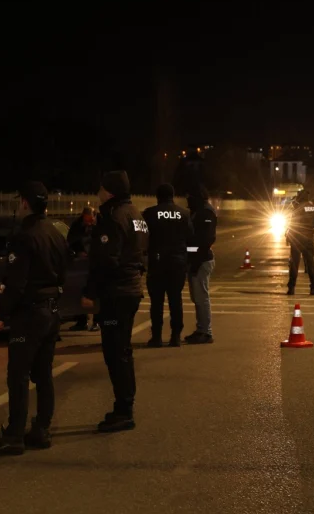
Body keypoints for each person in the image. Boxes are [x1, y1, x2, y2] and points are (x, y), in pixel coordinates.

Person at [0, 181, 69, 456]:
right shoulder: (56, 233)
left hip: (29, 313)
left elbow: (17, 282)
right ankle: (41, 428)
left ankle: (14, 434)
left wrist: (2, 314)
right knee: (43, 373)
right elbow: (64, 270)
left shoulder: (24, 236)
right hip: (51, 310)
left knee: (18, 375)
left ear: (25, 203)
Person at [83, 170, 148, 432]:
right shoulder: (136, 214)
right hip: (131, 288)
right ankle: (124, 406)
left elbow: (105, 260)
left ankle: (124, 410)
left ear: (109, 191)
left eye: (100, 189)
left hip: (117, 292)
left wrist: (90, 292)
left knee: (115, 352)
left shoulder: (112, 216)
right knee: (122, 350)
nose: (98, 194)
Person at [142, 183, 193, 348]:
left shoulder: (150, 213)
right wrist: (187, 255)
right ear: (173, 195)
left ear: (158, 196)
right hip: (177, 263)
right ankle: (175, 337)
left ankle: (156, 337)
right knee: (175, 300)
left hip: (156, 263)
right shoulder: (184, 214)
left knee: (156, 302)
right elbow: (191, 239)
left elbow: (143, 239)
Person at [185, 188, 218, 345]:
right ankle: (201, 329)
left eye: (189, 197)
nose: (187, 201)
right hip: (197, 258)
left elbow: (204, 241)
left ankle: (205, 332)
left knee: (201, 298)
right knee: (197, 298)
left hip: (202, 260)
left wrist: (188, 251)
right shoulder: (199, 211)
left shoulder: (206, 213)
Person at [66, 206, 99, 331]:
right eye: (86, 221)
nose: (89, 224)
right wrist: (79, 252)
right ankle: (81, 321)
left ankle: (97, 321)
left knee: (96, 291)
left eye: (91, 221)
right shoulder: (77, 225)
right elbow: (71, 241)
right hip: (82, 263)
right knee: (79, 290)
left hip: (96, 262)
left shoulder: (101, 224)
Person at [287, 189, 314, 295]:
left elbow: (293, 223)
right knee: (310, 263)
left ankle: (291, 288)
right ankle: (313, 288)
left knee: (294, 264)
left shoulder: (297, 208)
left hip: (297, 238)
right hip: (308, 238)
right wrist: (310, 226)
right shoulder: (313, 207)